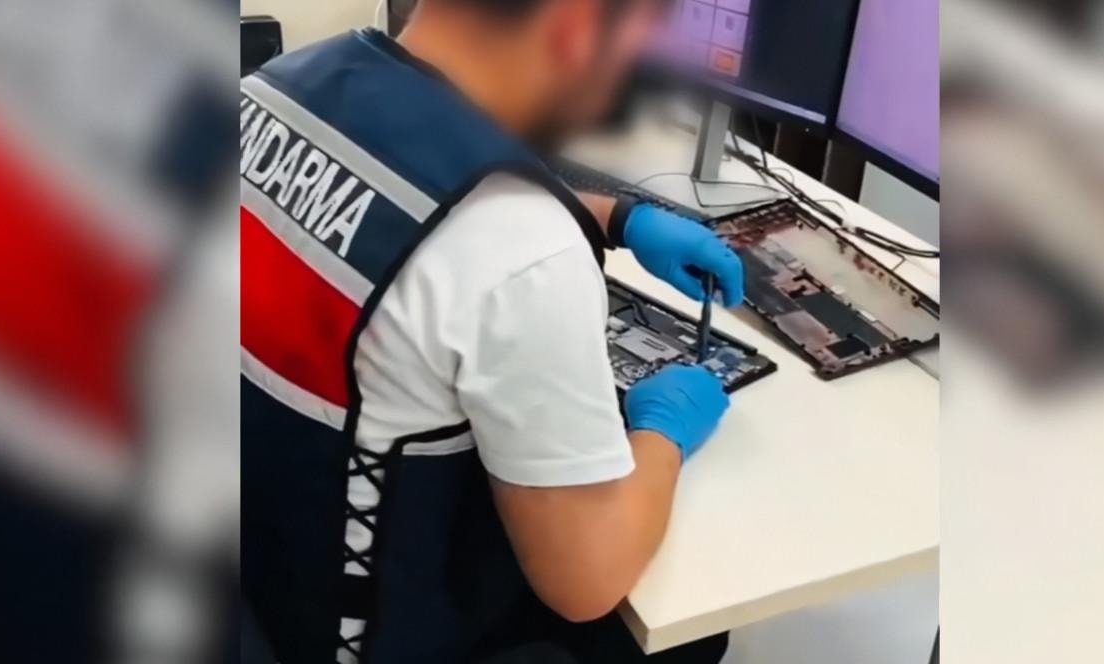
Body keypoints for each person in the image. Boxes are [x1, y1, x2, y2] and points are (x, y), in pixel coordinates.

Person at [240, 0, 744, 662]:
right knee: (686, 636)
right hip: (362, 636)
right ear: (576, 27)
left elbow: (415, 186)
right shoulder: (525, 250)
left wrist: (615, 217)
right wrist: (663, 432)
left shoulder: (274, 88)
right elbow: (585, 583)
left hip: (265, 579)